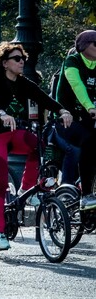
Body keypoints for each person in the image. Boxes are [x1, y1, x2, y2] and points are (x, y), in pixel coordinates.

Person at [0, 42, 73, 250]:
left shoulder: (22, 82)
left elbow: (42, 98)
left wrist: (62, 111)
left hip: (12, 133)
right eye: (17, 59)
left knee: (37, 145)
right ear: (4, 63)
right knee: (0, 182)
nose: (22, 62)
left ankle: (27, 188)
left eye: (23, 59)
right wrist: (2, 113)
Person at [55, 30, 96, 211]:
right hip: (68, 119)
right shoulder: (72, 61)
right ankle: (86, 195)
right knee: (89, 141)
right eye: (95, 44)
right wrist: (90, 107)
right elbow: (77, 86)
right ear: (84, 45)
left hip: (89, 119)